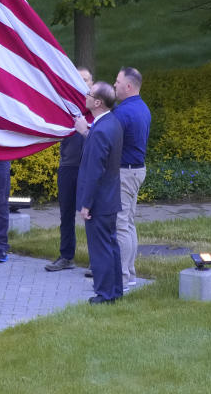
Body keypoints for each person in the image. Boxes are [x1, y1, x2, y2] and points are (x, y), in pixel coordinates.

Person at [76, 81, 124, 304]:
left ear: (97, 102)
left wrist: (86, 205)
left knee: (100, 249)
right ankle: (115, 290)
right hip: (110, 197)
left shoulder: (101, 129)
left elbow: (94, 171)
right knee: (110, 245)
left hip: (99, 201)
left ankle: (104, 295)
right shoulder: (111, 123)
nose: (85, 96)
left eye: (89, 93)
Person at [45, 66, 93, 272]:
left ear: (92, 83)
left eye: (87, 80)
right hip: (68, 166)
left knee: (93, 215)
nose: (83, 83)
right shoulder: (66, 106)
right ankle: (66, 256)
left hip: (89, 169)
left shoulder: (98, 109)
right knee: (66, 214)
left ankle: (96, 261)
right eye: (79, 79)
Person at [112, 67, 152, 291]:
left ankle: (122, 278)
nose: (114, 85)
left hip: (125, 172)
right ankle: (131, 274)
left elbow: (107, 141)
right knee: (128, 222)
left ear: (128, 86)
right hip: (136, 170)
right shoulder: (141, 107)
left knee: (120, 226)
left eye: (117, 82)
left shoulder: (124, 113)